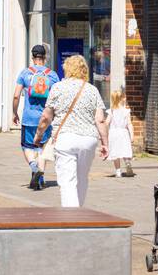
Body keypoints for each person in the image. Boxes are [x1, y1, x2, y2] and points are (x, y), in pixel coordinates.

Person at [33, 55, 109, 208]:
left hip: (65, 138)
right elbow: (100, 119)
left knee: (67, 181)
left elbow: (45, 117)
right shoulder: (92, 90)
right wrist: (105, 143)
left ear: (67, 69)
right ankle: (79, 211)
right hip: (88, 139)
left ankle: (73, 218)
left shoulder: (58, 88)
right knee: (82, 178)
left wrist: (38, 135)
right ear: (84, 70)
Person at [12, 45, 58, 191]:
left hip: (28, 118)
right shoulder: (52, 75)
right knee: (43, 148)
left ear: (32, 57)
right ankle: (41, 177)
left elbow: (16, 95)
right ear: (45, 57)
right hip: (46, 117)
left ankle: (33, 166)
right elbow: (57, 97)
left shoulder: (25, 74)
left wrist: (14, 112)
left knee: (27, 146)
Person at [107, 88, 135, 177]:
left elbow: (107, 122)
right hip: (124, 133)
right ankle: (127, 162)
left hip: (113, 133)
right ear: (122, 99)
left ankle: (118, 171)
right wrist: (132, 136)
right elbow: (129, 124)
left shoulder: (111, 111)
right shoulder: (126, 111)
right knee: (125, 150)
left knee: (115, 153)